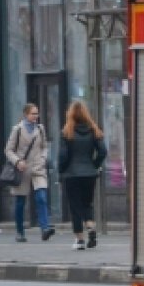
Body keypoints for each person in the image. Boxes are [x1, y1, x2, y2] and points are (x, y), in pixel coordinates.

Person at [59, 100, 108, 250]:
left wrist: (62, 170)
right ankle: (91, 228)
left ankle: (80, 240)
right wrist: (94, 165)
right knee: (87, 203)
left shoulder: (67, 131)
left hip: (72, 174)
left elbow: (63, 155)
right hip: (89, 174)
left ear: (71, 114)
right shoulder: (94, 130)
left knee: (75, 206)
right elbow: (103, 151)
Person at [4, 103, 54, 243]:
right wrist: (17, 162)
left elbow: (44, 147)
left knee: (41, 197)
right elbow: (8, 150)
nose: (36, 116)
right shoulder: (17, 129)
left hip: (38, 168)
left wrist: (43, 158)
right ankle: (20, 231)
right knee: (20, 202)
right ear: (26, 114)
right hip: (22, 169)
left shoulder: (40, 129)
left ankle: (45, 229)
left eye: (37, 113)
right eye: (33, 113)